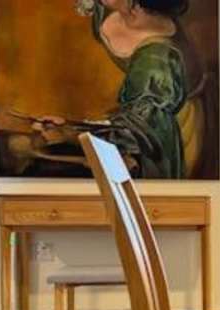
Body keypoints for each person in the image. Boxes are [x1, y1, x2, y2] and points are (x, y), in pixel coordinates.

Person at [39, 0, 209, 179]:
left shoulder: (155, 60)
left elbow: (139, 133)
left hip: (154, 142)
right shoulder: (111, 10)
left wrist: (71, 133)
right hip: (129, 120)